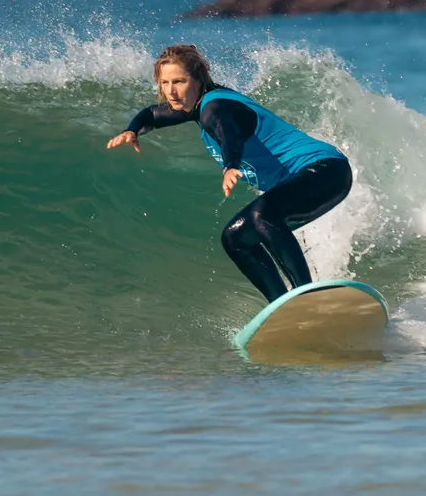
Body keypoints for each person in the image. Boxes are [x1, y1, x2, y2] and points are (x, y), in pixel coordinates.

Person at [106, 44, 352, 303]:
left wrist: (230, 165)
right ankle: (282, 305)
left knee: (263, 214)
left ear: (198, 79)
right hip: (310, 178)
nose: (170, 91)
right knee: (235, 238)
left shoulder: (215, 107)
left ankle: (306, 294)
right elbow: (152, 114)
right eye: (164, 82)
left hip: (324, 170)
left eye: (179, 81)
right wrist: (132, 129)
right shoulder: (194, 105)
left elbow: (227, 132)